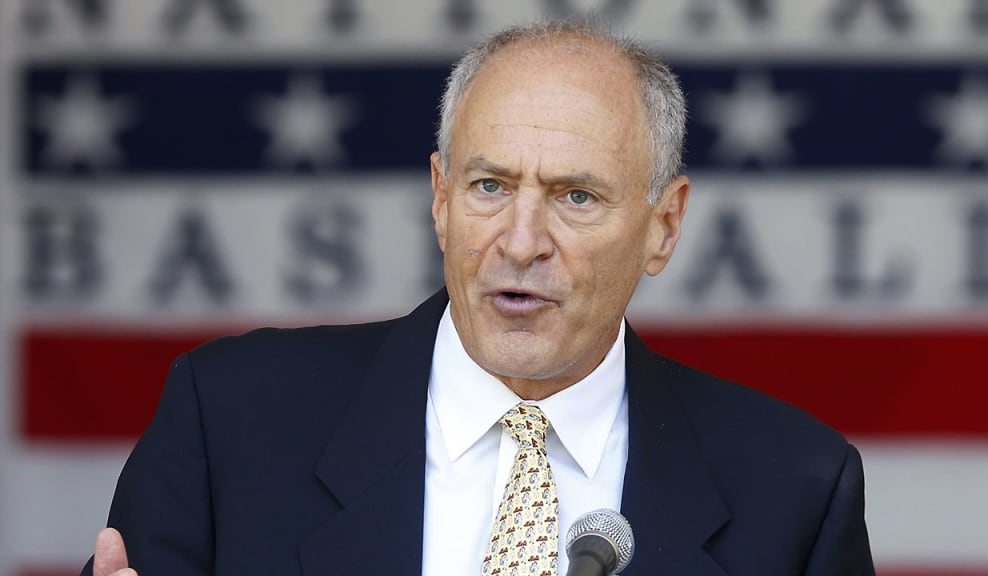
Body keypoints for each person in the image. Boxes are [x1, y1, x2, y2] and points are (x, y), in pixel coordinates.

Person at [85, 20, 874, 576]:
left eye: (575, 197)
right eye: (490, 186)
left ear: (664, 227)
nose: (521, 242)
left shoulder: (792, 490)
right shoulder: (231, 419)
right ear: (440, 198)